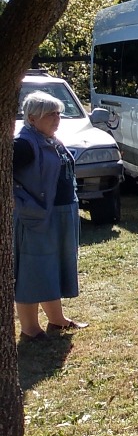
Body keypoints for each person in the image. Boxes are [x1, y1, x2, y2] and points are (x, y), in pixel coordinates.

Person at [12, 91, 86, 341]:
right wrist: (22, 203)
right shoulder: (24, 144)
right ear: (32, 118)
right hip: (37, 218)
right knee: (33, 269)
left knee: (51, 266)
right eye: (50, 114)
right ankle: (30, 329)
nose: (57, 119)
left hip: (60, 214)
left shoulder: (50, 139)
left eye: (58, 113)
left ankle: (57, 320)